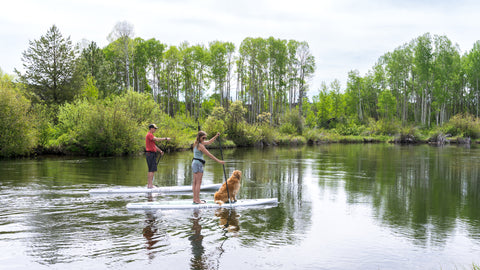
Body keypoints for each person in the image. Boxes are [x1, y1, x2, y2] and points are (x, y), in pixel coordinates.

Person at [192, 131, 224, 204]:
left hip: (194, 163)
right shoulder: (201, 146)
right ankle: (197, 200)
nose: (204, 139)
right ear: (199, 137)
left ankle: (195, 199)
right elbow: (209, 155)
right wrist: (219, 161)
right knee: (198, 183)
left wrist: (216, 136)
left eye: (205, 138)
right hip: (199, 164)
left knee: (195, 182)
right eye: (203, 138)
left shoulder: (196, 143)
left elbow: (209, 142)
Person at [145, 124, 170, 188]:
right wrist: (165, 138)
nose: (155, 130)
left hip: (151, 154)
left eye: (156, 128)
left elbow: (154, 146)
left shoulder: (151, 135)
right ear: (151, 129)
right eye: (154, 128)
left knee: (152, 169)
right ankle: (150, 185)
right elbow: (157, 140)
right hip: (150, 154)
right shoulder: (149, 135)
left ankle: (150, 184)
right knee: (151, 169)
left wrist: (160, 151)